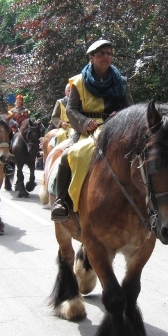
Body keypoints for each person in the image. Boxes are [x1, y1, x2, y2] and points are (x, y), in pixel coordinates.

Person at [51, 39, 133, 221]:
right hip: (86, 130)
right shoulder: (78, 82)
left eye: (109, 53)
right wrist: (85, 122)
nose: (106, 57)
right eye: (101, 54)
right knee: (69, 155)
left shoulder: (122, 82)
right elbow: (71, 109)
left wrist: (119, 116)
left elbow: (130, 108)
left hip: (116, 128)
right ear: (91, 57)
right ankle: (61, 201)